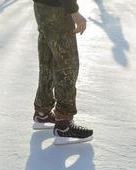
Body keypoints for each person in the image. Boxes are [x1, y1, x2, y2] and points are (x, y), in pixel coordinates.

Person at [32, 0, 93, 144]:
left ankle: (42, 112)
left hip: (42, 8)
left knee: (48, 60)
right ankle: (64, 125)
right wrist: (74, 11)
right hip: (58, 11)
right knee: (67, 67)